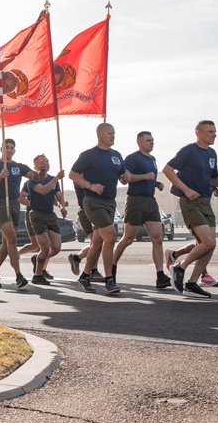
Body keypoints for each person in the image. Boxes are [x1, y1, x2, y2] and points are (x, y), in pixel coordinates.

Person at [162, 120, 218, 299]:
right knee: (207, 242)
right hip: (190, 202)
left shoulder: (212, 153)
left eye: (215, 131)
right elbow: (168, 170)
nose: (214, 134)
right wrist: (185, 189)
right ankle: (179, 268)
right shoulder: (189, 150)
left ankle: (192, 284)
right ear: (198, 133)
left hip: (205, 202)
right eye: (210, 131)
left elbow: (213, 178)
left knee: (210, 246)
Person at [69, 123, 129, 295]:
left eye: (114, 133)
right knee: (110, 235)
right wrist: (90, 185)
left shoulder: (117, 156)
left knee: (97, 242)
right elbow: (72, 174)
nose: (113, 136)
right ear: (100, 135)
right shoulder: (89, 155)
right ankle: (110, 279)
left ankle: (85, 276)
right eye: (110, 133)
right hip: (93, 201)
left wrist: (125, 177)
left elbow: (123, 177)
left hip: (110, 203)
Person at [113, 131, 171, 289]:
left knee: (157, 238)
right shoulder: (132, 158)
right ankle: (111, 268)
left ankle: (160, 276)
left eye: (152, 140)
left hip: (150, 201)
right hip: (135, 200)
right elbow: (126, 178)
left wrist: (156, 183)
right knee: (128, 239)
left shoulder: (152, 159)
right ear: (139, 142)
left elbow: (149, 177)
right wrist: (145, 177)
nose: (151, 143)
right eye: (148, 141)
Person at [0, 138, 42, 289]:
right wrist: (0, 176)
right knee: (12, 237)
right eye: (6, 147)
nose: (9, 149)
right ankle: (18, 275)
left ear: (14, 151)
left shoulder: (19, 166)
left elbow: (35, 177)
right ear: (1, 149)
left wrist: (41, 170)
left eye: (12, 148)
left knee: (7, 242)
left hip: (14, 204)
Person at [26, 154, 67, 285]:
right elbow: (43, 191)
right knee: (45, 247)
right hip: (37, 215)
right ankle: (37, 275)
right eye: (42, 162)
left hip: (50, 215)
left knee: (56, 248)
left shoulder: (54, 180)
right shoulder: (33, 179)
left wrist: (62, 206)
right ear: (35, 166)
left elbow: (58, 197)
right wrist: (56, 178)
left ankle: (38, 259)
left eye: (47, 161)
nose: (45, 164)